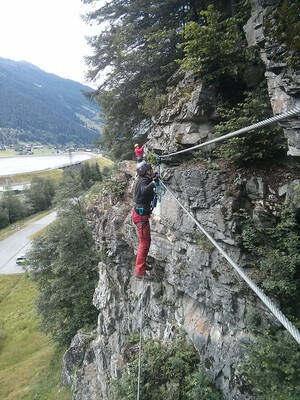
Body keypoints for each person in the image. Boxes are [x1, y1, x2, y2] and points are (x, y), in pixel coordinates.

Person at [132, 161, 159, 281]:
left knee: (146, 241)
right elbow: (144, 190)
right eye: (149, 170)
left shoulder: (141, 179)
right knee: (144, 243)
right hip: (141, 216)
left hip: (139, 214)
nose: (151, 171)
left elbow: (147, 183)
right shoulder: (143, 181)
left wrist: (153, 179)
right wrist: (153, 183)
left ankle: (142, 266)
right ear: (145, 171)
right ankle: (140, 272)